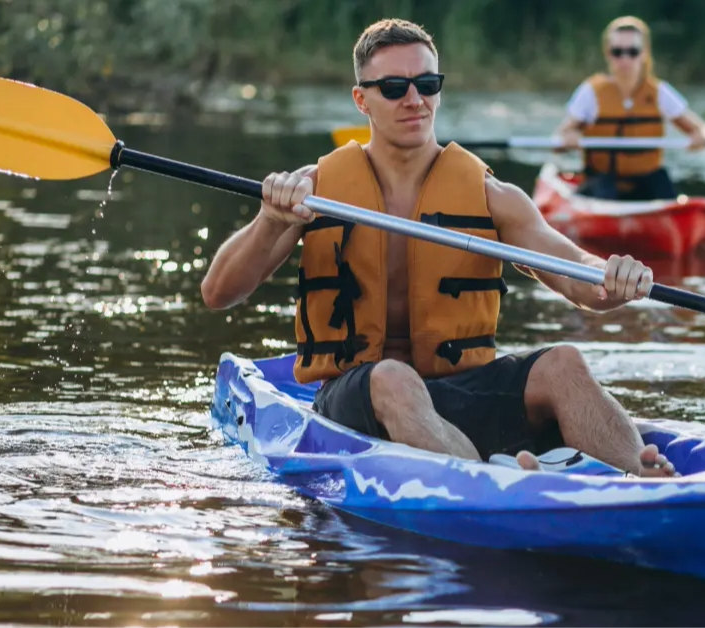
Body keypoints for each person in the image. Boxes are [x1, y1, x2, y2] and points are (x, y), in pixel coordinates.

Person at [200, 18, 676, 478]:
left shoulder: (493, 196)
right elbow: (219, 292)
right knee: (392, 377)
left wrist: (614, 278)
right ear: (361, 99)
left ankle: (644, 476)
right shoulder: (314, 190)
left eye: (427, 84)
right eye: (394, 88)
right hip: (358, 396)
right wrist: (269, 220)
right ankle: (491, 482)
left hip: (460, 390)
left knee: (563, 364)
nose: (415, 100)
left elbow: (579, 276)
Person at [554, 16, 705, 202]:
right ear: (608, 54)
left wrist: (701, 136)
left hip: (648, 180)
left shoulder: (659, 92)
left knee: (662, 183)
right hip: (603, 182)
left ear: (644, 53)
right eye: (617, 52)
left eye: (632, 51)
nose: (625, 59)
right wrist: (569, 137)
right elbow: (559, 140)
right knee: (605, 189)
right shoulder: (591, 92)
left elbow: (703, 129)